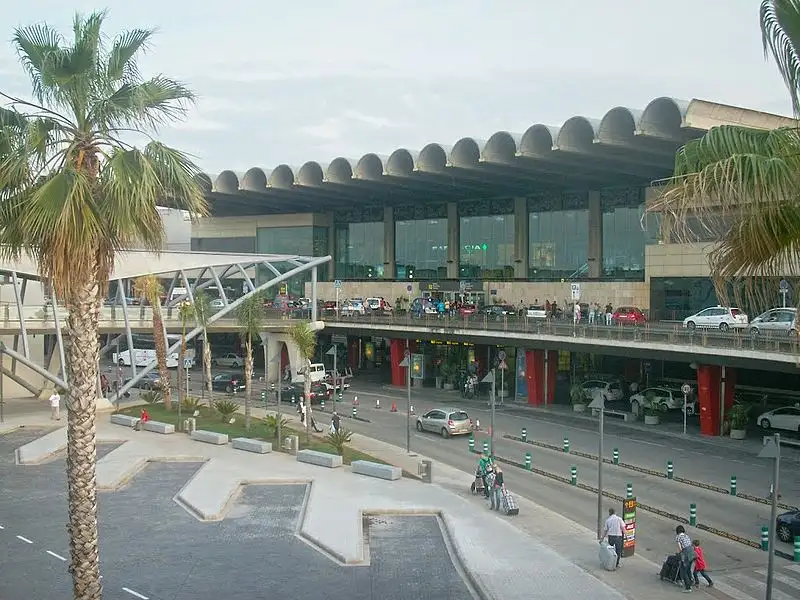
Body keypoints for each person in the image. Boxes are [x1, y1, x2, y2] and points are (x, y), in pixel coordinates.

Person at [675, 525, 696, 593]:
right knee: (688, 569)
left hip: (686, 553)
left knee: (683, 571)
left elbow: (680, 548)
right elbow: (690, 544)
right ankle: (691, 581)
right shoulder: (686, 536)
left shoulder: (678, 537)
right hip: (692, 553)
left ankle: (688, 587)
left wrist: (680, 553)